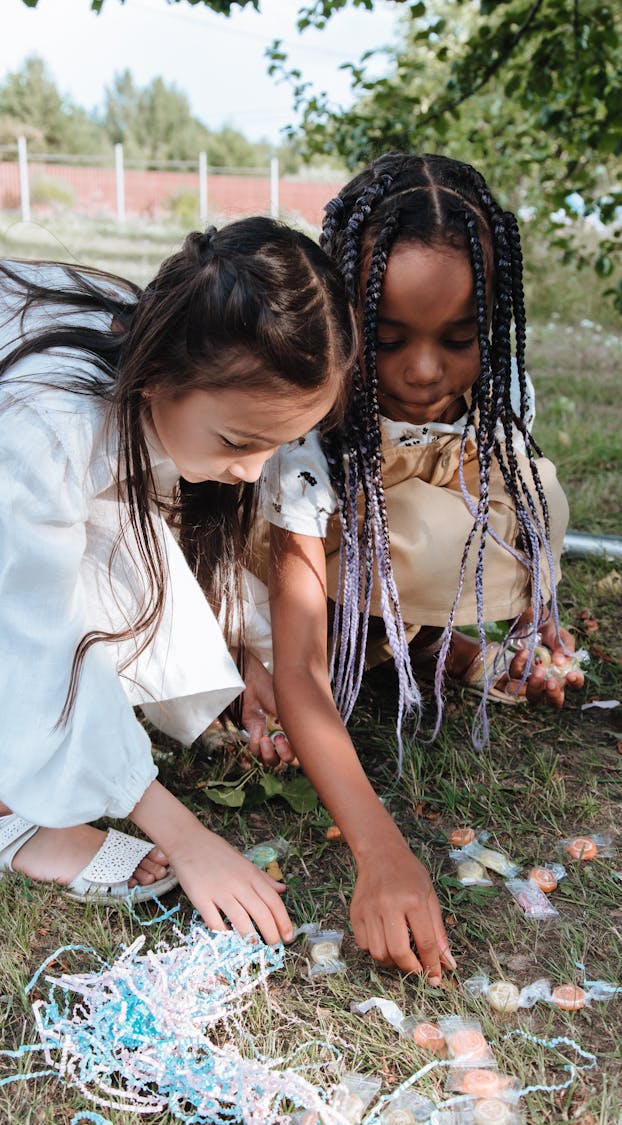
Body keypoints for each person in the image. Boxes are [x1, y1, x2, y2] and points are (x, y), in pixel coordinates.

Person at [0, 219, 355, 946]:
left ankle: (42, 792)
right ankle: (16, 817)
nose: (257, 471)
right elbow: (32, 630)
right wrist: (187, 838)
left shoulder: (183, 353)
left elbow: (159, 526)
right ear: (158, 376)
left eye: (278, 445)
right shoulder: (40, 424)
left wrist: (242, 651)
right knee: (21, 596)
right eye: (239, 443)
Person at [252, 153, 579, 980]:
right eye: (387, 339)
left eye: (458, 338)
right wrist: (381, 848)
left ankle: (427, 647)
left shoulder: (499, 395)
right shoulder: (307, 422)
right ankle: (340, 657)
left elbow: (515, 518)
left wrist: (539, 617)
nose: (425, 371)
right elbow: (300, 665)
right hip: (274, 608)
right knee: (279, 672)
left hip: (370, 588)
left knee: (529, 489)